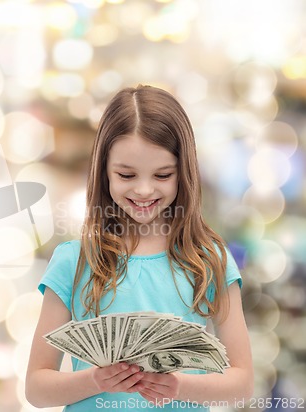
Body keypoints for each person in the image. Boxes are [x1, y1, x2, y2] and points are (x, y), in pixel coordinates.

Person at [25, 85, 253, 411]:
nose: (144, 189)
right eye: (126, 174)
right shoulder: (74, 262)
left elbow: (241, 386)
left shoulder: (209, 261)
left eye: (162, 175)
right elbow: (36, 388)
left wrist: (178, 386)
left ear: (184, 172)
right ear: (103, 171)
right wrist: (94, 380)